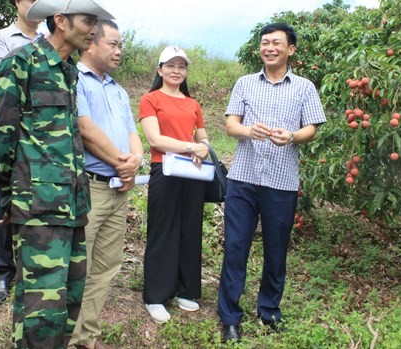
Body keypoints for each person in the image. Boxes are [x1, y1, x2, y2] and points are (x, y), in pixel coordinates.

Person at [0, 0, 114, 349]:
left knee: (67, 304)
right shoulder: (21, 63)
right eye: (89, 22)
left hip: (73, 205)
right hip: (38, 207)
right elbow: (0, 138)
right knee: (40, 311)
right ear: (61, 20)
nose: (94, 30)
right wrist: (6, 199)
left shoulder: (69, 71)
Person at [217, 22, 326, 342]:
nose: (270, 48)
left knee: (276, 250)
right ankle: (230, 317)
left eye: (277, 43)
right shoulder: (245, 83)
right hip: (244, 180)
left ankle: (269, 309)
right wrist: (249, 131)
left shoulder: (304, 87)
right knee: (235, 247)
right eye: (265, 43)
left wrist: (291, 135)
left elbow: (311, 129)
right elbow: (230, 125)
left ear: (290, 49)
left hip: (282, 182)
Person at [69, 19, 144, 349]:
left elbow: (132, 133)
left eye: (120, 45)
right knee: (78, 268)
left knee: (106, 267)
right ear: (90, 44)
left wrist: (135, 160)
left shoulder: (118, 89)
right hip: (91, 188)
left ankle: (89, 336)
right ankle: (70, 340)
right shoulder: (74, 81)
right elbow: (84, 130)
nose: (119, 50)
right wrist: (121, 162)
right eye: (112, 44)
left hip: (119, 188)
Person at [0, 0, 52, 304]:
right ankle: (1, 273)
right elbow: (4, 82)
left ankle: (30, 270)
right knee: (1, 203)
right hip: (9, 132)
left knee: (35, 204)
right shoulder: (0, 39)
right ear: (17, 2)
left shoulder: (51, 41)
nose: (37, 5)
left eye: (43, 0)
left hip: (41, 139)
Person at [138, 46, 210, 324]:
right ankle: (156, 295)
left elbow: (204, 138)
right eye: (170, 65)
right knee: (163, 231)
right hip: (164, 170)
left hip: (193, 173)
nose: (176, 71)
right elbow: (155, 140)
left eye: (181, 66)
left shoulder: (193, 104)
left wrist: (202, 147)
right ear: (160, 70)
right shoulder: (150, 99)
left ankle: (186, 290)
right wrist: (192, 146)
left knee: (190, 230)